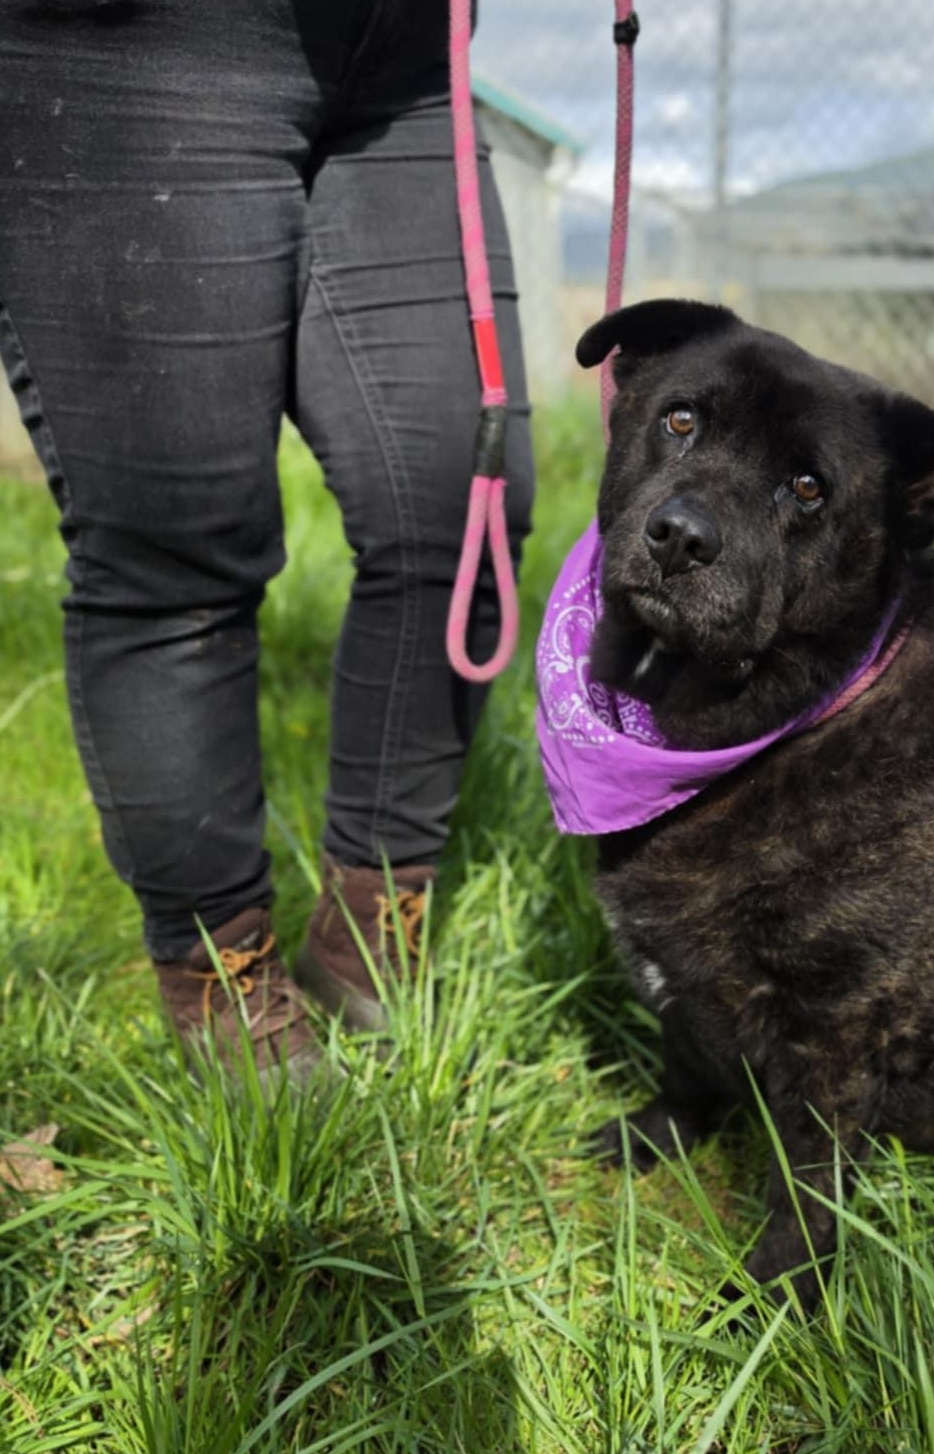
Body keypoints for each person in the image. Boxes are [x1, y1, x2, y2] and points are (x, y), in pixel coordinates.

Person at [0, 0, 534, 1078]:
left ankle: (370, 928)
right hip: (133, 39)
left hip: (403, 53)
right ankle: (222, 978)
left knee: (461, 511)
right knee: (178, 557)